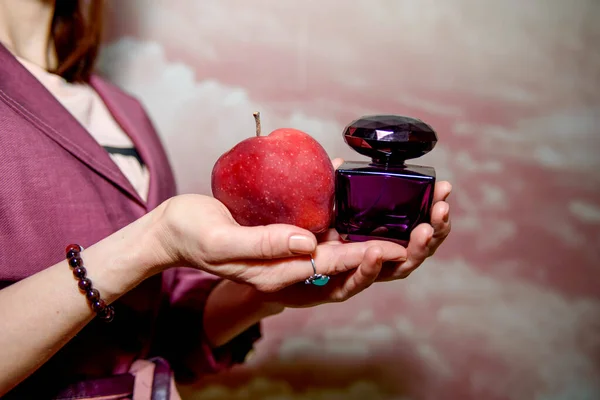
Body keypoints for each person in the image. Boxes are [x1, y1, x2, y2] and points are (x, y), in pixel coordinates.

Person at [0, 0, 452, 398]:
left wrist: (265, 291)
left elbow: (159, 331)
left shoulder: (123, 110)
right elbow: (153, 249)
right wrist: (153, 242)